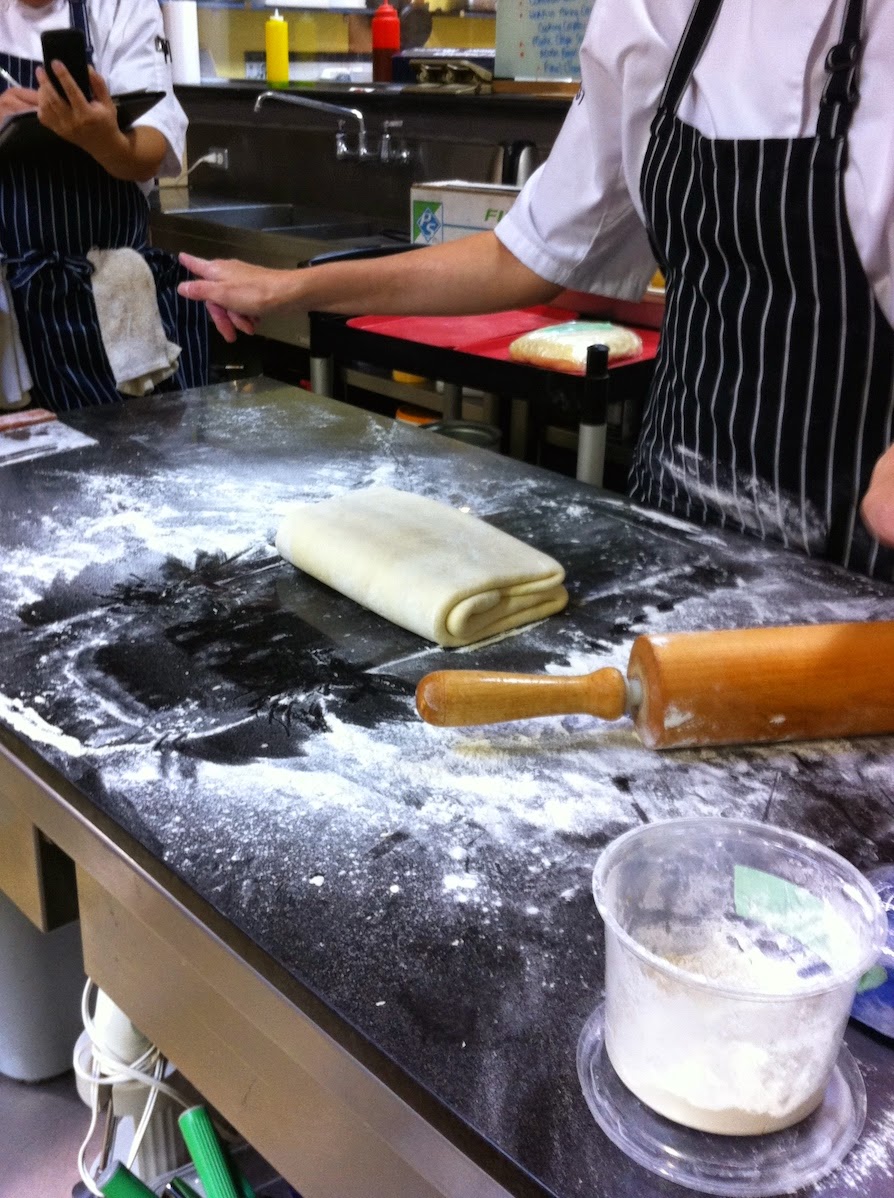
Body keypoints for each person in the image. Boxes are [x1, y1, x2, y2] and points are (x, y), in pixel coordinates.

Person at [177, 0, 894, 579]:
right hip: (682, 515)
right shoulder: (654, 15)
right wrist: (294, 289)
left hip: (862, 537)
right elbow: (525, 255)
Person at [0, 0, 208, 413]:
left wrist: (101, 139)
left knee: (132, 461)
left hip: (108, 312)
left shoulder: (117, 6)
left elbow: (152, 147)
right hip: (10, 317)